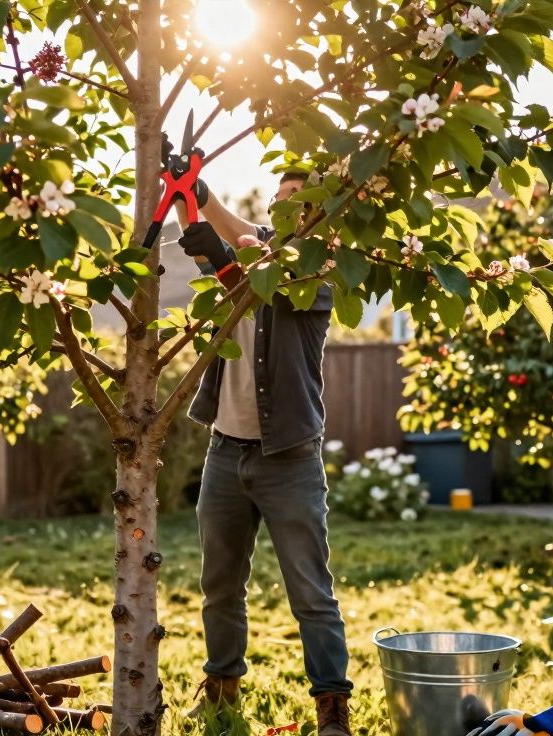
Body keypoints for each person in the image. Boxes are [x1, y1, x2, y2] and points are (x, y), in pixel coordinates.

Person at [174, 173, 353, 736]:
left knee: (310, 591)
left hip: (289, 459)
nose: (281, 212)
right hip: (225, 453)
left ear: (316, 215)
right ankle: (222, 690)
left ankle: (331, 709)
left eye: (293, 204)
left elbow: (249, 277)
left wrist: (222, 250)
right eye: (277, 203)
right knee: (219, 584)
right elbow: (217, 241)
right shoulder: (260, 250)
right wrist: (188, 197)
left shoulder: (319, 273)